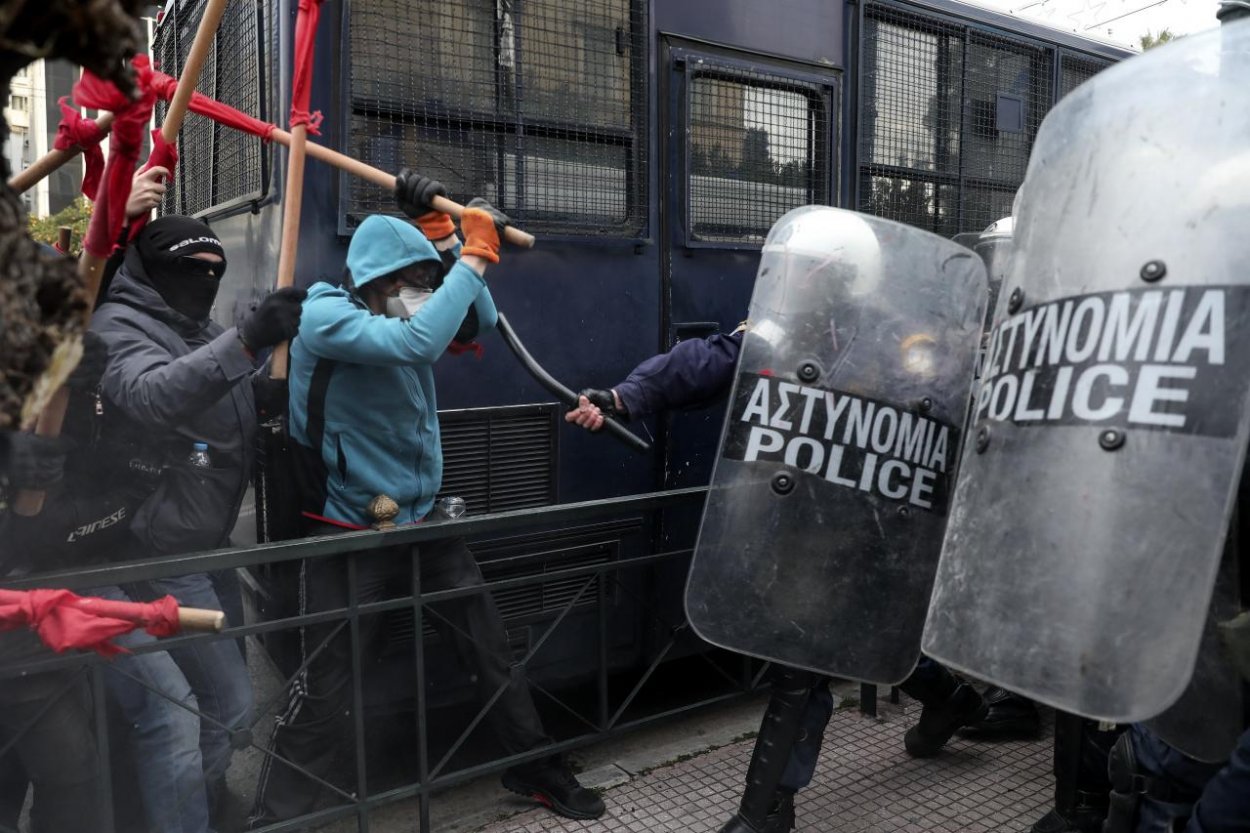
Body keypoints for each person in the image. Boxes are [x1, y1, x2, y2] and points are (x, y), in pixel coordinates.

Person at [248, 172, 605, 827]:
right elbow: (418, 341)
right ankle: (278, 812)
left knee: (489, 647)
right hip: (348, 526)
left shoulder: (402, 302)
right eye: (409, 282)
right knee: (328, 682)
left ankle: (532, 763)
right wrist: (473, 253)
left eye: (425, 282)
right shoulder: (326, 316)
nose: (420, 296)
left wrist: (442, 238)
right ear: (375, 279)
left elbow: (476, 320)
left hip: (421, 517)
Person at [565, 328, 987, 832]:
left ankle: (766, 809)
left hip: (867, 522)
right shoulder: (789, 322)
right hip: (796, 518)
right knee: (853, 636)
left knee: (801, 661)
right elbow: (711, 357)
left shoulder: (890, 329)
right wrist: (622, 397)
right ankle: (952, 700)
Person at [82, 214, 304, 831]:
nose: (205, 280)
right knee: (221, 707)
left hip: (206, 544)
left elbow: (208, 406)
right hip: (162, 548)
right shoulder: (116, 326)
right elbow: (152, 396)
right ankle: (190, 816)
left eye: (216, 272)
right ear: (152, 269)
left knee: (217, 709)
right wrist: (247, 341)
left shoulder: (196, 325)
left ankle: (197, 808)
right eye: (191, 269)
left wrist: (260, 391)